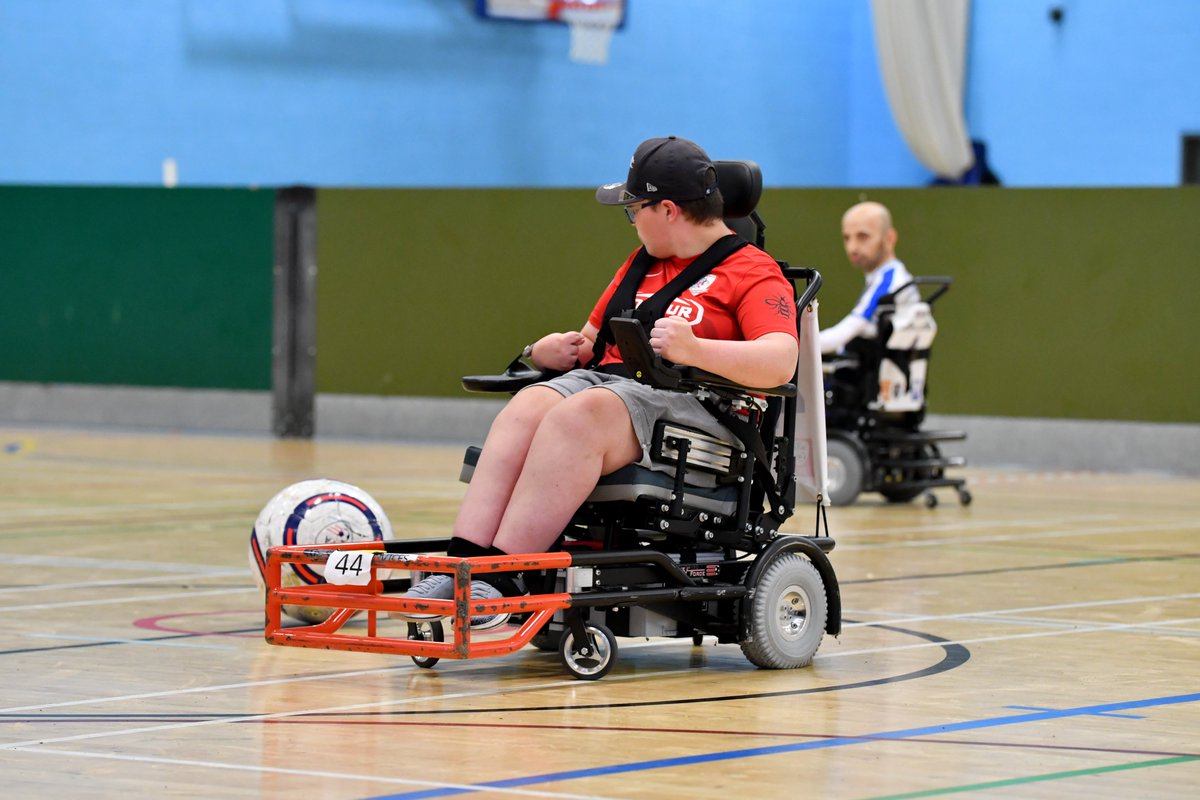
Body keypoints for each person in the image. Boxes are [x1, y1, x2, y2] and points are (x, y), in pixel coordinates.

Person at [403, 136, 800, 628]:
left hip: (696, 410)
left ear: (669, 210)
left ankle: (506, 580)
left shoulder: (752, 272)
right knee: (529, 404)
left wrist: (696, 349)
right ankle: (463, 562)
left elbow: (781, 360)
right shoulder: (640, 265)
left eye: (636, 209)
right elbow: (592, 342)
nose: (632, 220)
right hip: (616, 390)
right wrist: (547, 350)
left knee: (581, 414)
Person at [818, 201, 918, 354]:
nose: (853, 248)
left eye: (862, 236)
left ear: (889, 238)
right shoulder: (887, 277)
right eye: (847, 238)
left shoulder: (889, 282)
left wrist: (792, 345)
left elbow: (847, 331)